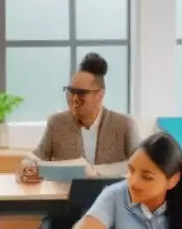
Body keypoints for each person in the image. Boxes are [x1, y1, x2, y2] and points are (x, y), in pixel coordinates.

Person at [19, 51, 140, 182]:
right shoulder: (57, 122)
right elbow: (36, 157)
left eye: (82, 93)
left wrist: (94, 172)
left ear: (100, 94)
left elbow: (139, 164)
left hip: (112, 198)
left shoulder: (124, 124)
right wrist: (27, 165)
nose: (74, 99)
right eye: (71, 91)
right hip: (65, 199)